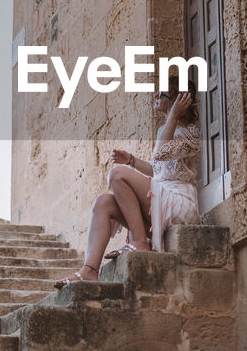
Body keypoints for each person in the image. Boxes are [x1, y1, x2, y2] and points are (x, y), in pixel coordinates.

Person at [55, 77, 201, 287]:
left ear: (177, 100)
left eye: (160, 93)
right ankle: (89, 269)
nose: (155, 96)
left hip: (180, 203)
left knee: (117, 174)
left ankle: (140, 242)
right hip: (162, 198)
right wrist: (131, 161)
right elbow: (157, 170)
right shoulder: (165, 130)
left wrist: (174, 116)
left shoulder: (191, 132)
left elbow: (160, 153)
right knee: (103, 202)